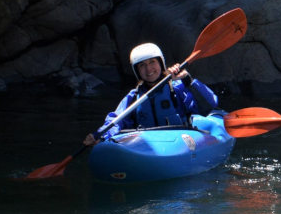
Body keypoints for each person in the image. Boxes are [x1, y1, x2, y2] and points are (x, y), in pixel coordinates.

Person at [83, 43, 218, 145]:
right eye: (142, 65)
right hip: (147, 148)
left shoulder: (177, 88)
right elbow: (115, 121)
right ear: (137, 70)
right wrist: (100, 135)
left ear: (161, 63)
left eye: (152, 62)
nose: (148, 69)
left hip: (180, 143)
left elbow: (210, 104)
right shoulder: (134, 97)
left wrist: (189, 80)